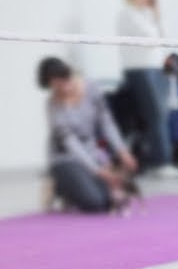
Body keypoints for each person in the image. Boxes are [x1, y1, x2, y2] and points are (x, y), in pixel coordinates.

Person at [37, 56, 139, 213]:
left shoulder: (92, 89)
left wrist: (122, 151)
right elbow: (71, 144)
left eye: (64, 81)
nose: (63, 88)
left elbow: (107, 123)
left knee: (111, 199)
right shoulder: (53, 106)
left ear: (69, 74)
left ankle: (76, 185)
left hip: (91, 152)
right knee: (94, 202)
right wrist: (98, 171)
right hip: (65, 158)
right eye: (55, 86)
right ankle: (59, 185)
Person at [116, 0, 178, 178]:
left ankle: (154, 159)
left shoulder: (146, 14)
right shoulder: (127, 14)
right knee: (155, 115)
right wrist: (155, 23)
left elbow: (163, 36)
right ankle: (162, 162)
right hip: (140, 69)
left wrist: (156, 14)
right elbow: (150, 38)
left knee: (160, 115)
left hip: (156, 69)